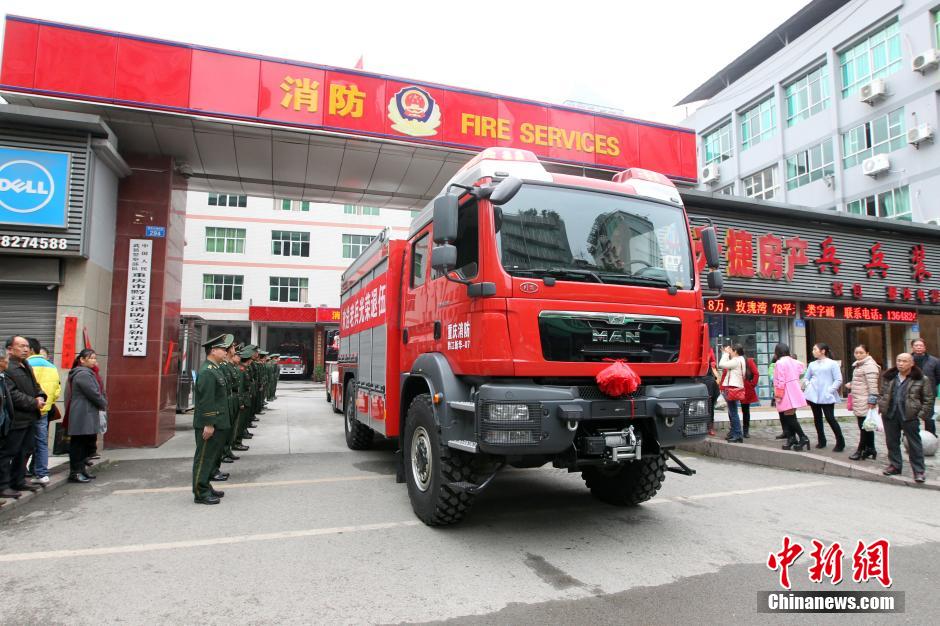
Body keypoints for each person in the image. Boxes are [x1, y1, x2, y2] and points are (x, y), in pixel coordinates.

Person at [0, 336, 46, 499]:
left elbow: (35, 385)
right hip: (16, 418)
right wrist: (33, 402)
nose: (26, 349)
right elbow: (12, 394)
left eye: (27, 346)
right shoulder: (7, 367)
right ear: (10, 349)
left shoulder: (25, 364)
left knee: (25, 449)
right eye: (21, 346)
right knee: (9, 451)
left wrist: (40, 395)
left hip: (30, 417)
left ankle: (18, 480)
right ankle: (3, 485)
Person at [192, 334, 234, 505]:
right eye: (222, 349)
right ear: (213, 351)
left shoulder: (215, 369)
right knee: (204, 457)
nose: (226, 352)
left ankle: (206, 486)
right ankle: (200, 492)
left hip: (218, 422)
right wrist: (208, 424)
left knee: (211, 457)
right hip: (209, 424)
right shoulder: (208, 372)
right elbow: (207, 400)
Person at [877, 353, 931, 483]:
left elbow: (928, 399)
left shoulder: (921, 379)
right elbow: (882, 393)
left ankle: (918, 471)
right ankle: (895, 465)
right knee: (892, 442)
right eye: (899, 360)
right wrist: (882, 406)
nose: (901, 363)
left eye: (904, 361)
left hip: (910, 416)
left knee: (914, 444)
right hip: (890, 414)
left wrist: (920, 415)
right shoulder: (888, 377)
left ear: (911, 363)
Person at [64, 349, 106, 483]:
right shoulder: (82, 374)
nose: (94, 360)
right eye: (91, 358)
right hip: (82, 412)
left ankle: (81, 470)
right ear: (82, 360)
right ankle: (75, 472)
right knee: (78, 444)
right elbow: (93, 393)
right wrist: (103, 403)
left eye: (95, 358)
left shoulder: (88, 373)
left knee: (83, 443)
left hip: (86, 411)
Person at [26, 337, 61, 485]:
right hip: (44, 410)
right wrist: (48, 403)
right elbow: (57, 390)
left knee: (22, 441)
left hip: (26, 409)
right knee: (41, 441)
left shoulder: (25, 365)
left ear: (31, 349)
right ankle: (41, 473)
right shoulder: (51, 366)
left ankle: (19, 473)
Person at [803, 343, 845, 451]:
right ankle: (821, 440)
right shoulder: (812, 364)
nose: (813, 351)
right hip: (814, 395)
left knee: (830, 418)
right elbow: (806, 378)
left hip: (827, 395)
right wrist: (809, 386)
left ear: (823, 351)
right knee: (817, 418)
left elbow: (838, 379)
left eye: (815, 349)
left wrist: (830, 390)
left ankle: (840, 441)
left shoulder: (832, 364)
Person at [846, 344, 881, 461]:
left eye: (861, 352)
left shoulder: (869, 366)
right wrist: (852, 384)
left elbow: (873, 385)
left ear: (867, 353)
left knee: (863, 427)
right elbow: (862, 382)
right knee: (866, 426)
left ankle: (860, 450)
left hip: (865, 400)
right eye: (856, 352)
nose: (858, 355)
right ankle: (871, 448)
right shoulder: (859, 365)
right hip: (859, 398)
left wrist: (872, 400)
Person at [772, 343, 810, 451]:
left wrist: (778, 395)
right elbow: (802, 368)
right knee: (790, 416)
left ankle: (802, 437)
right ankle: (792, 438)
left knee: (789, 416)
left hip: (786, 391)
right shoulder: (794, 361)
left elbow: (780, 380)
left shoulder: (779, 363)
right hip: (794, 389)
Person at [718, 343, 746, 443]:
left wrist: (725, 354)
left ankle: (738, 434)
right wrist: (727, 353)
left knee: (733, 412)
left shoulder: (736, 361)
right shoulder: (741, 359)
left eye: (732, 351)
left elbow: (721, 364)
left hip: (733, 388)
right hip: (736, 387)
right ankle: (735, 433)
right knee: (732, 411)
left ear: (735, 352)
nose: (731, 352)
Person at [911, 338, 939, 436]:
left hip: (929, 393)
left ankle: (931, 435)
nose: (919, 347)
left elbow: (938, 377)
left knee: (929, 416)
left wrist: (930, 387)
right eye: (916, 345)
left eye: (921, 345)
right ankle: (912, 436)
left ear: (925, 347)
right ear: (912, 347)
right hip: (911, 393)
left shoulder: (935, 361)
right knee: (912, 416)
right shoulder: (907, 360)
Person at [742, 351, 760, 438]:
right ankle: (736, 429)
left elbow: (756, 373)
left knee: (745, 410)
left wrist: (752, 384)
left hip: (746, 388)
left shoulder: (748, 361)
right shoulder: (734, 361)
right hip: (736, 387)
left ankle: (745, 430)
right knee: (733, 410)